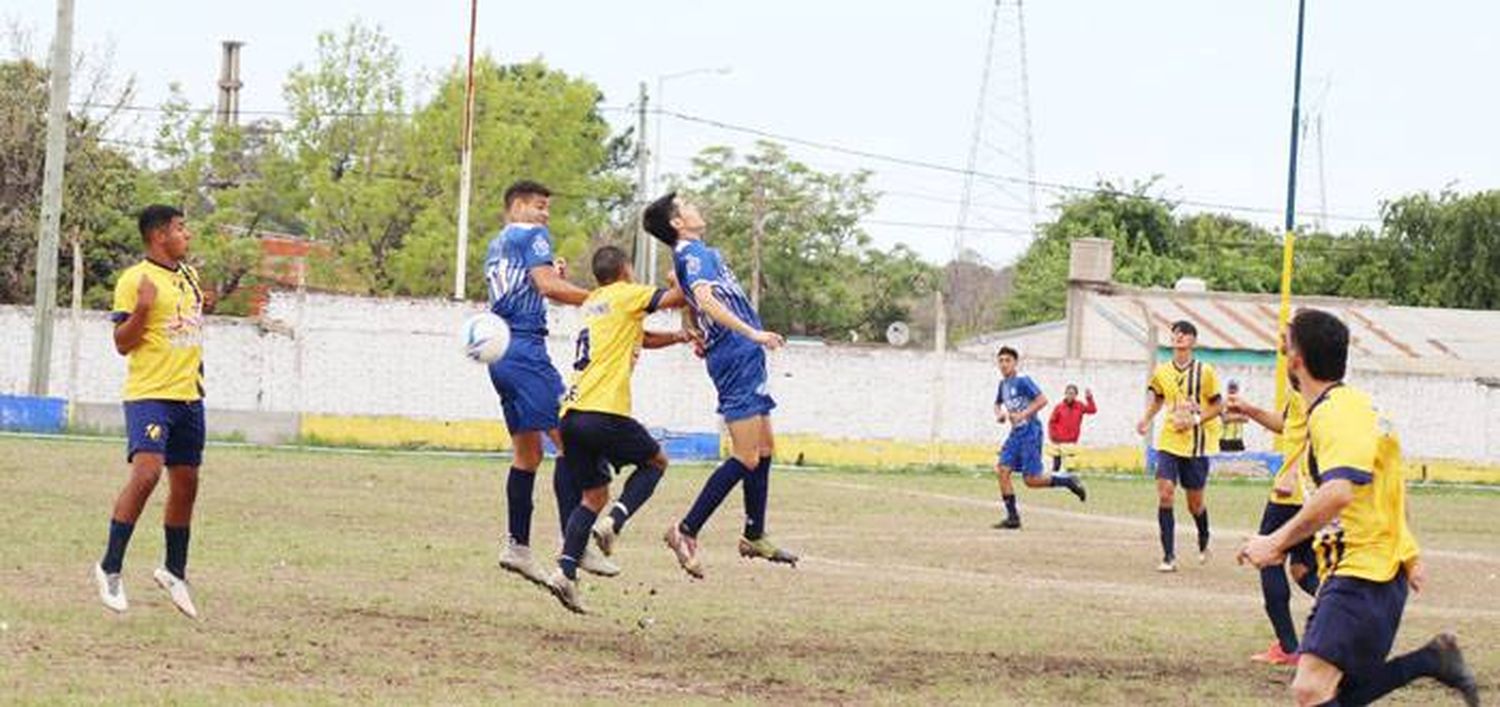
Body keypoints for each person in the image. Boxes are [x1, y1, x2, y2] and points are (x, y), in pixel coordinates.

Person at [1238, 309, 1479, 706]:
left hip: (1364, 572)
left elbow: (1338, 492)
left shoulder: (1337, 414)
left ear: (1297, 360)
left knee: (1311, 690)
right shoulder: (1356, 408)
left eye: (1286, 346)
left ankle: (1433, 660)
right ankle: (1433, 659)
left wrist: (1274, 542)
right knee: (1328, 692)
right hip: (1364, 570)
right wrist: (1411, 554)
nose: (1282, 353)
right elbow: (1393, 489)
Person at [643, 191, 797, 578]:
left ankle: (754, 534)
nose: (697, 207)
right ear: (677, 222)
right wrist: (752, 333)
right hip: (736, 353)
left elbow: (683, 291)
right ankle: (685, 529)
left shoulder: (692, 255)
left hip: (741, 354)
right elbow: (705, 298)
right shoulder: (693, 254)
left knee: (763, 449)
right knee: (746, 456)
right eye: (688, 206)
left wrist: (690, 328)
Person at [544, 246, 691, 613]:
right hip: (605, 410)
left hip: (572, 414)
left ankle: (564, 571)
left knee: (592, 496)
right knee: (656, 462)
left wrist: (677, 337)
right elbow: (677, 297)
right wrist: (685, 275)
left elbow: (639, 336)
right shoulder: (628, 294)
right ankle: (616, 521)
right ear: (626, 269)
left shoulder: (595, 302)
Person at [483, 180, 614, 585]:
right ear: (518, 205)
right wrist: (599, 299)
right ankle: (574, 544)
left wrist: (552, 282)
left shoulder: (497, 243)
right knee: (573, 439)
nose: (545, 216)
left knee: (528, 456)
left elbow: (534, 285)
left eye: (546, 209)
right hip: (525, 350)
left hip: (499, 352)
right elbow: (546, 286)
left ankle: (518, 546)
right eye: (540, 206)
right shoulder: (534, 234)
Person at [93, 205, 206, 618]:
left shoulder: (190, 276)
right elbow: (122, 343)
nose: (187, 234)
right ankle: (109, 567)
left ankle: (174, 570)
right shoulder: (133, 280)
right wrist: (142, 309)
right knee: (146, 474)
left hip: (189, 397)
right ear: (160, 235)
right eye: (181, 228)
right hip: (150, 395)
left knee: (188, 483)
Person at [1227, 365, 1321, 666]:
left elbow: (1316, 436)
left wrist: (1292, 472)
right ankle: (1352, 618)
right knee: (1302, 570)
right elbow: (1288, 425)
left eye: (1288, 344)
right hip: (1310, 494)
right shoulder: (1299, 389)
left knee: (1268, 557)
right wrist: (1250, 409)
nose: (1285, 351)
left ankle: (1289, 646)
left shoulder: (1317, 392)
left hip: (1293, 491)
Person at [1136, 320, 1223, 572]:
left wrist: (1195, 418)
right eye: (1176, 334)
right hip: (1169, 441)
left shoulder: (1204, 372)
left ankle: (1204, 536)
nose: (1179, 337)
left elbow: (1218, 405)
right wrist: (1145, 418)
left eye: (1184, 334)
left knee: (1195, 504)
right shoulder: (1162, 371)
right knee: (1165, 493)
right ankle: (1168, 556)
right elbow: (1159, 398)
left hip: (1195, 446)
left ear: (1193, 341)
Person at [992, 348, 1086, 530]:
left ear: (1015, 363)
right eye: (1001, 361)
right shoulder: (1003, 384)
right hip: (1015, 434)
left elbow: (1042, 400)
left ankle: (1067, 480)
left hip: (1030, 432)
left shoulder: (1023, 381)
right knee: (1002, 470)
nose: (1003, 364)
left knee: (1031, 480)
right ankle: (1013, 518)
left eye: (1007, 360)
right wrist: (1000, 415)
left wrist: (1023, 414)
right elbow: (997, 404)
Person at [1047, 384, 1097, 473]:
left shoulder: (1080, 406)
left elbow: (1092, 410)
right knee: (1056, 465)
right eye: (1068, 393)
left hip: (1071, 441)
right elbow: (1052, 422)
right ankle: (1054, 481)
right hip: (1058, 441)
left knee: (1070, 465)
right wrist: (1053, 436)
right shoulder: (1059, 407)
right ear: (1065, 394)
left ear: (1076, 395)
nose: (1070, 395)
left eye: (1073, 394)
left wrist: (1089, 398)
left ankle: (1069, 482)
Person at [1219, 379, 1248, 452]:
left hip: (1238, 439)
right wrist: (1239, 416)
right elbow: (1225, 419)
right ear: (1227, 389)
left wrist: (1232, 417)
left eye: (1234, 388)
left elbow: (1246, 419)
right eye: (1231, 388)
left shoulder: (1241, 403)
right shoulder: (1223, 403)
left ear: (1237, 390)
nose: (1232, 391)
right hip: (1225, 439)